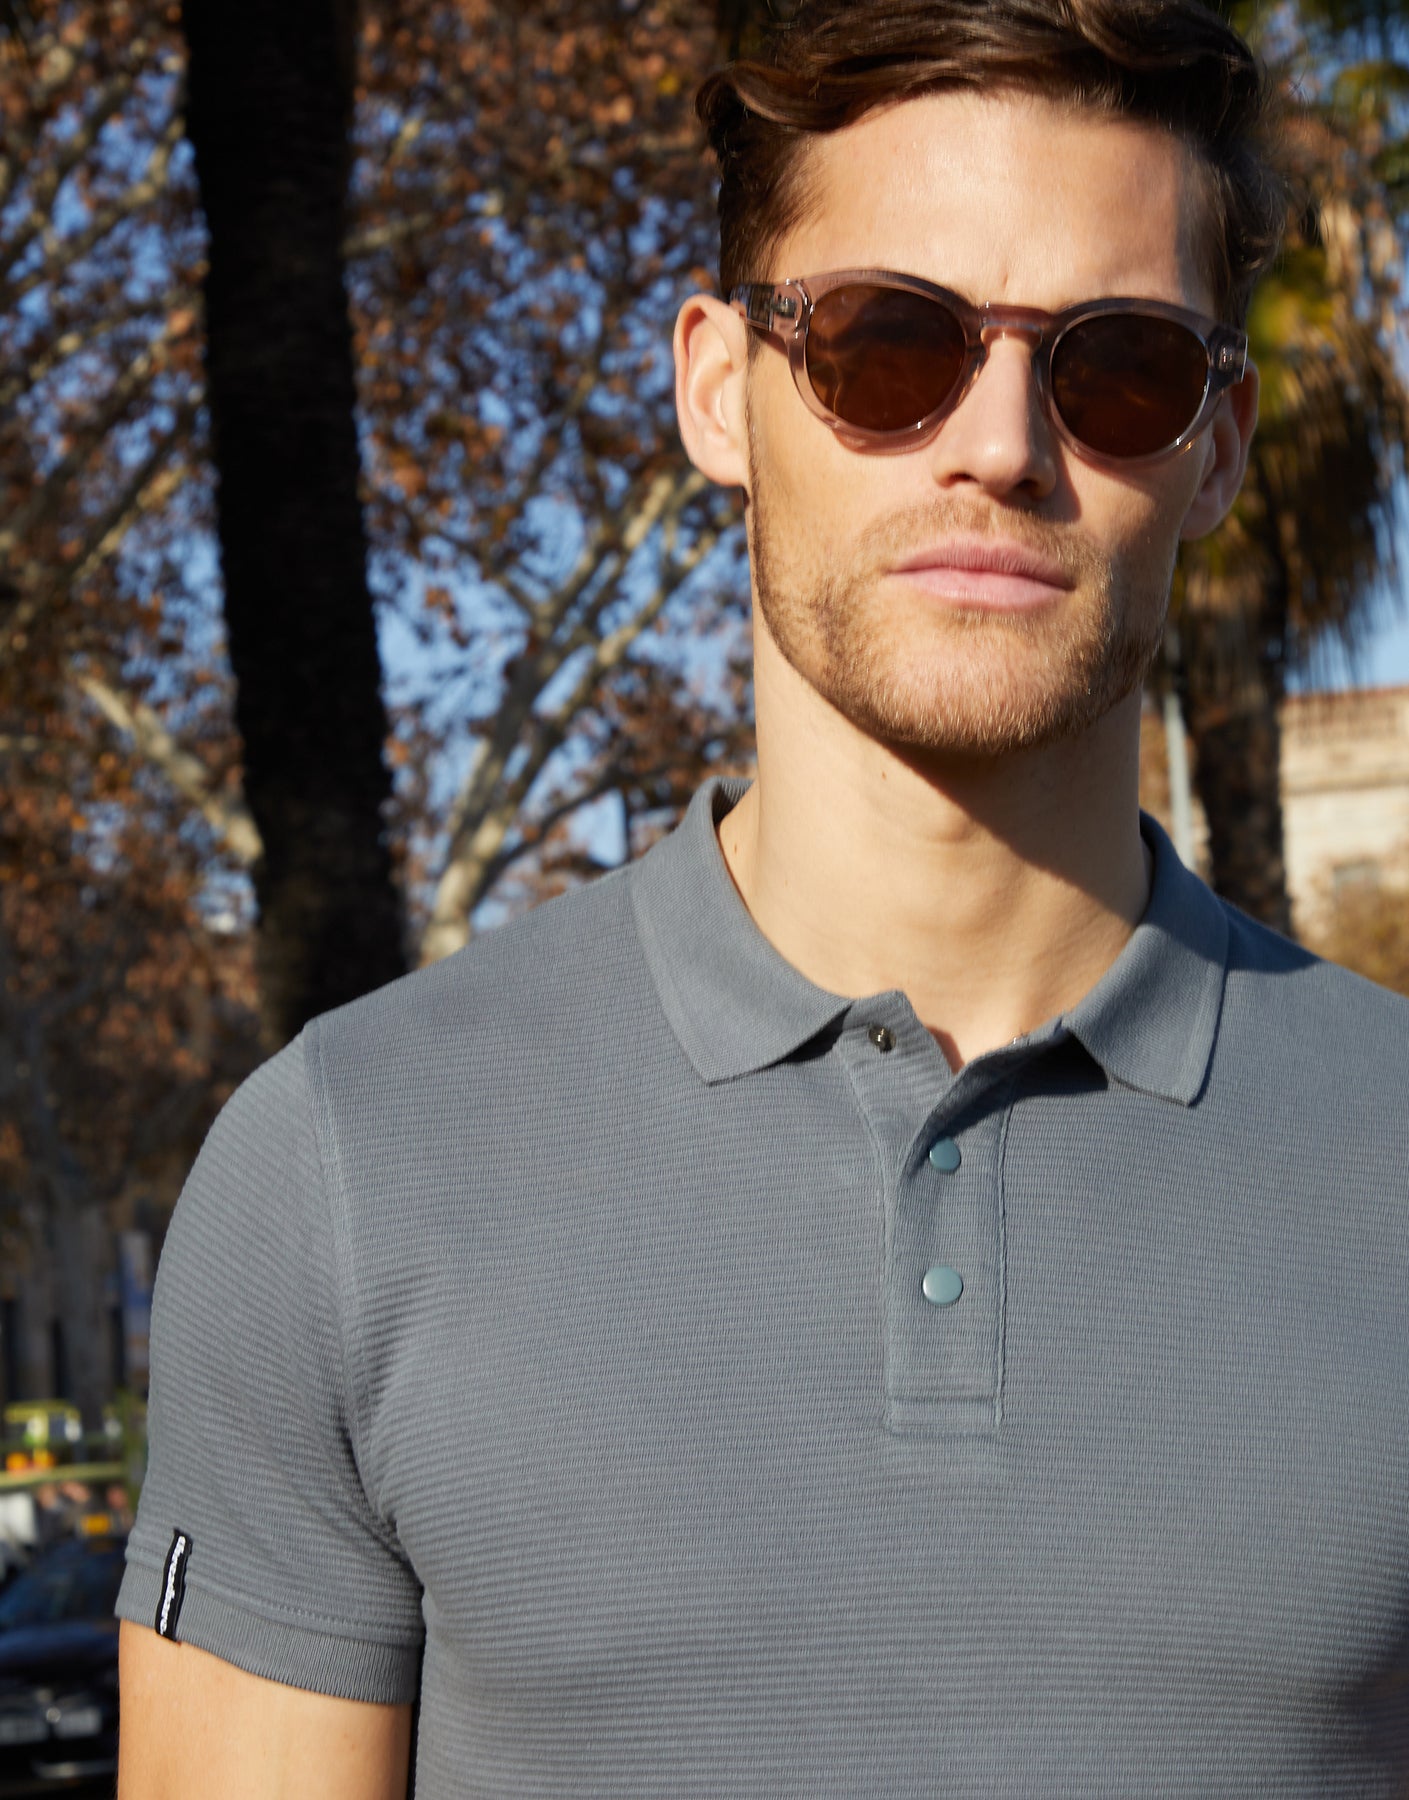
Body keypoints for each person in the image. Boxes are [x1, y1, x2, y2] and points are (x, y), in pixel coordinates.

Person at [116, 2, 1409, 1794]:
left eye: (1115, 367)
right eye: (888, 343)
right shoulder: (339, 1168)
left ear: (1218, 444)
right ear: (720, 389)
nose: (998, 443)